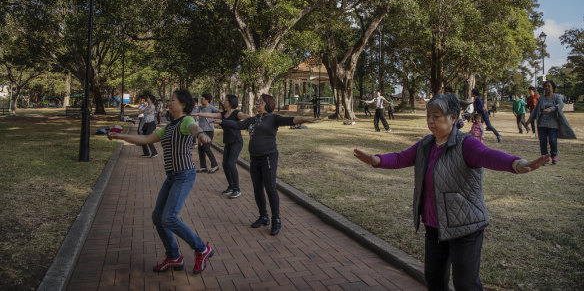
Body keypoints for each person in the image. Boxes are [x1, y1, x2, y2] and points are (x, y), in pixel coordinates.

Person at [353, 93, 548, 290]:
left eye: (436, 116)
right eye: (428, 116)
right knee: (434, 279)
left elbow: (489, 156)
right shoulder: (425, 145)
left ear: (453, 118)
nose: (430, 121)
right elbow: (400, 158)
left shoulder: (466, 144)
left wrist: (516, 164)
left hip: (465, 226)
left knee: (466, 284)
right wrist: (377, 160)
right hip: (434, 226)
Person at [107, 89, 215, 274]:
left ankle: (201, 249)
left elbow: (194, 128)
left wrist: (200, 135)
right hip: (172, 176)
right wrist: (120, 136)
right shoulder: (170, 126)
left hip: (184, 174)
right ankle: (173, 256)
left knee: (169, 217)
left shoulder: (186, 120)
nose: (169, 102)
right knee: (158, 217)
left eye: (172, 100)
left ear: (182, 104)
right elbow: (146, 139)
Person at [215, 94, 319, 236]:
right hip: (254, 158)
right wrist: (222, 121)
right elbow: (238, 125)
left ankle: (276, 219)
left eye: (261, 102)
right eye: (257, 102)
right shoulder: (253, 119)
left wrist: (305, 118)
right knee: (257, 189)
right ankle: (263, 216)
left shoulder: (273, 118)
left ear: (268, 104)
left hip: (268, 157)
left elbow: (291, 120)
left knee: (270, 188)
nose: (258, 104)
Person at [193, 94, 249, 198]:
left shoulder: (237, 113)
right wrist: (196, 113)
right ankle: (231, 186)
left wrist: (251, 118)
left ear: (231, 102)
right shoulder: (223, 114)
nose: (224, 101)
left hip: (236, 142)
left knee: (231, 164)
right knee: (225, 164)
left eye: (226, 100)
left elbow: (245, 117)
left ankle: (237, 189)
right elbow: (209, 115)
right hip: (228, 142)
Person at [526, 80, 576, 165]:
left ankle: (554, 155)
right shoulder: (541, 98)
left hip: (553, 124)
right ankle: (545, 158)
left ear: (553, 87)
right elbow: (535, 110)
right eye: (545, 86)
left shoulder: (557, 97)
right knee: (542, 141)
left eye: (548, 86)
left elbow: (561, 105)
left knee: (552, 140)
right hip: (541, 123)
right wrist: (529, 120)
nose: (546, 88)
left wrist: (552, 108)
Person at [195, 94, 220, 173]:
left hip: (209, 131)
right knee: (200, 149)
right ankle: (203, 166)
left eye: (202, 99)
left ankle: (215, 165)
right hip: (201, 131)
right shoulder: (200, 108)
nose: (201, 100)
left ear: (207, 100)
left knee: (206, 148)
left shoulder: (211, 108)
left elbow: (219, 114)